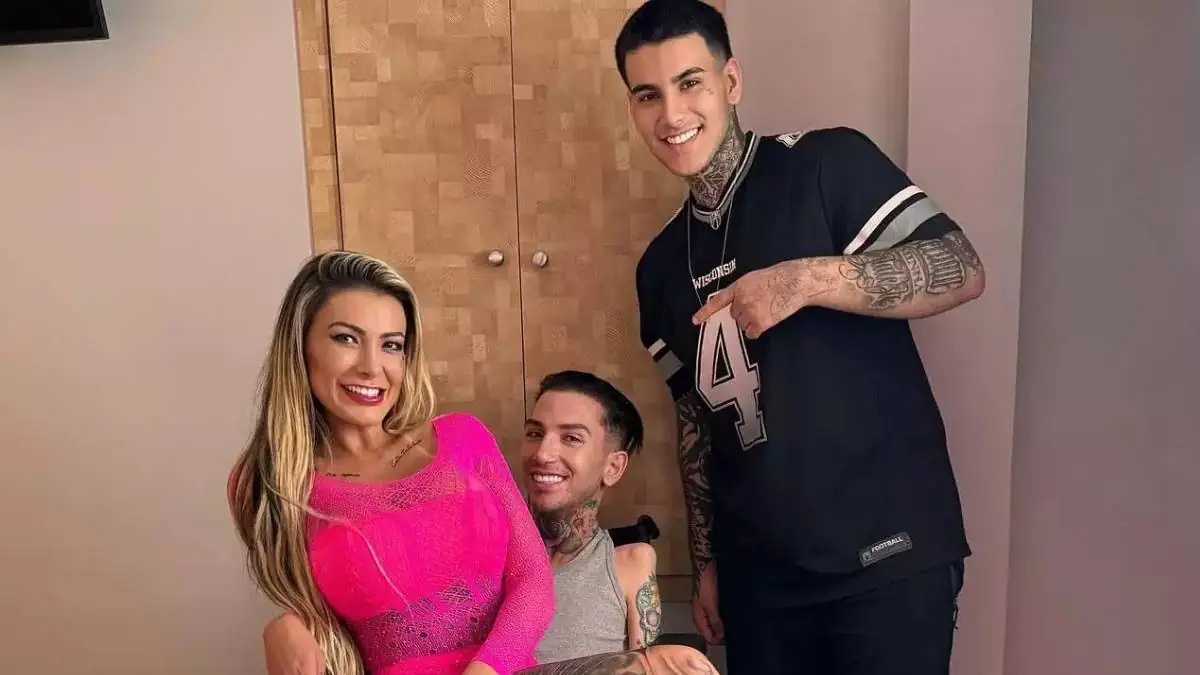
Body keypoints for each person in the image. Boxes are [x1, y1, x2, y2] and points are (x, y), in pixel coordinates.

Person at [615, 2, 985, 674]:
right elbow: (695, 422)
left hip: (886, 555)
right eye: (648, 95)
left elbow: (959, 267)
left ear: (730, 82)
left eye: (690, 82)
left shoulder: (824, 163)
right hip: (761, 582)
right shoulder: (659, 268)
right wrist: (706, 561)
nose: (671, 114)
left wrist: (804, 279)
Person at [234, 251, 716, 675]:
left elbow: (533, 583)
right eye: (345, 338)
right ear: (301, 346)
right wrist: (288, 621)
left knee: (677, 666)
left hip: (507, 671)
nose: (371, 366)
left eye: (391, 344)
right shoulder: (269, 482)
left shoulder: (462, 439)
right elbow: (307, 603)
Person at [522, 370, 662, 662]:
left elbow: (646, 667)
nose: (543, 453)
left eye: (571, 438)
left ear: (613, 467)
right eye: (535, 433)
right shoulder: (487, 560)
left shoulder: (630, 564)